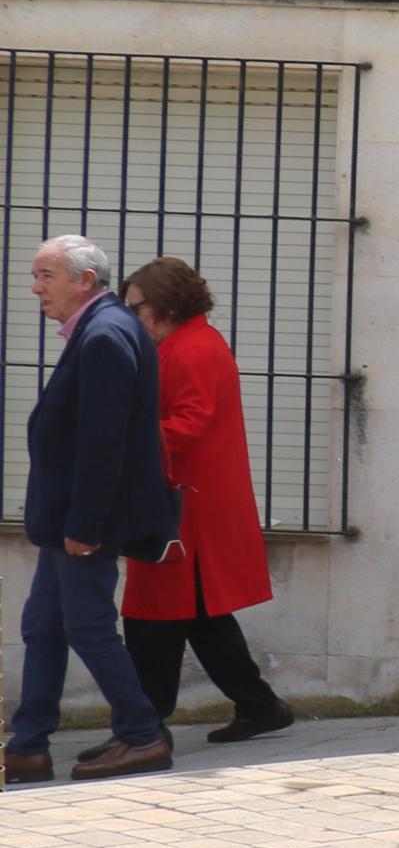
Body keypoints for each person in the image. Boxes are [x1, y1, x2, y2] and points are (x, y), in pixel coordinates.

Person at [8, 235, 174, 784]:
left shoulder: (104, 334)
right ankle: (28, 746)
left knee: (88, 627)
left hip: (81, 521)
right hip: (66, 518)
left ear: (84, 281)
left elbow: (104, 443)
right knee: (44, 627)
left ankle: (143, 734)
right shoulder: (103, 328)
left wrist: (84, 524)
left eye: (46, 275)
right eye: (35, 275)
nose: (36, 287)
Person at [115, 258, 292, 746]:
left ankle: (146, 724)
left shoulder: (191, 349)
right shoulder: (193, 343)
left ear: (166, 305)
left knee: (154, 615)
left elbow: (187, 425)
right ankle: (257, 706)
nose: (131, 318)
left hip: (185, 506)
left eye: (136, 308)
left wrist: (120, 437)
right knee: (196, 615)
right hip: (190, 502)